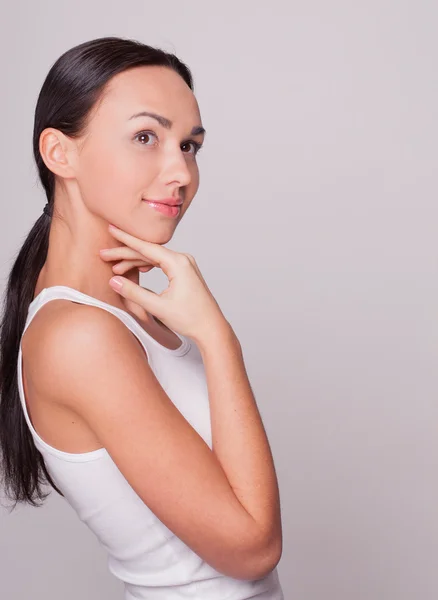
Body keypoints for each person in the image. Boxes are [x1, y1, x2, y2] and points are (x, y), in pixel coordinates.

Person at [0, 36, 284, 599]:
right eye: (145, 138)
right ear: (60, 153)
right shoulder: (79, 336)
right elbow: (251, 548)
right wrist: (220, 341)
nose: (179, 172)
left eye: (190, 146)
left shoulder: (125, 312)